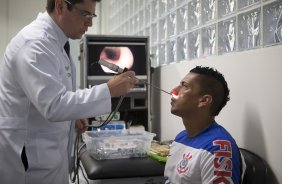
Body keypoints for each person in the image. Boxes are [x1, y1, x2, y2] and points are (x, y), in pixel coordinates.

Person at [0, 0, 138, 184]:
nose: (89, 23)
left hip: (49, 156)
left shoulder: (57, 43)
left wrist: (74, 116)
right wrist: (108, 89)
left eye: (92, 15)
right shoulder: (35, 43)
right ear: (60, 6)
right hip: (29, 162)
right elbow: (54, 105)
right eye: (85, 14)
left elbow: (56, 93)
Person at [164, 66, 245, 184]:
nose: (173, 91)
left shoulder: (217, 148)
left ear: (204, 101)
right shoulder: (180, 137)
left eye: (184, 86)